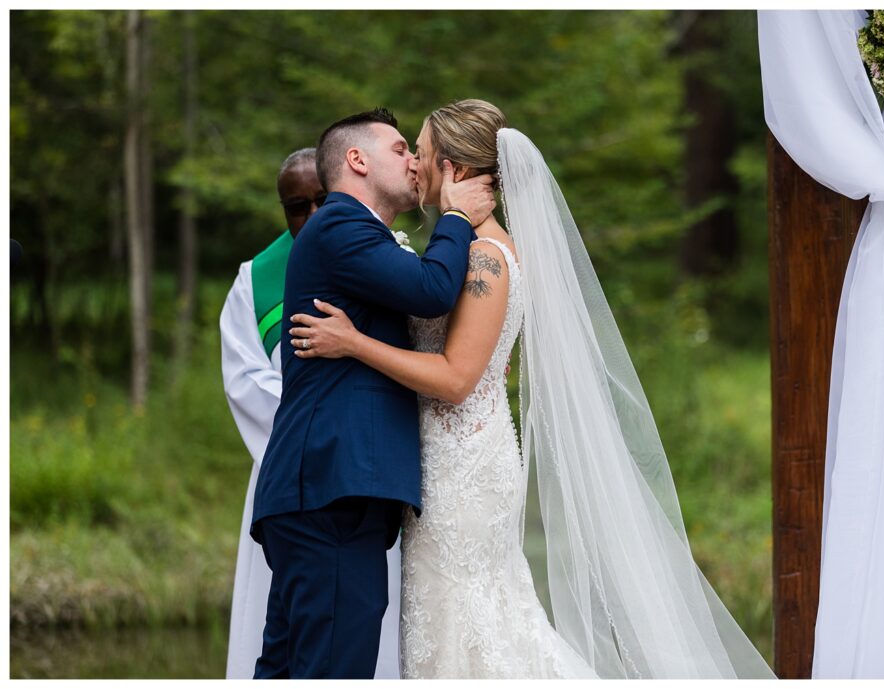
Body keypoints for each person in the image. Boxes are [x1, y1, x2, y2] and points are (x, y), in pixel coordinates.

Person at [288, 99, 777, 678]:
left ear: (457, 172)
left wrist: (355, 343)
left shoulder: (484, 260)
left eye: (420, 153)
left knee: (474, 631)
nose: (415, 166)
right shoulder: (458, 254)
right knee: (459, 629)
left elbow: (455, 379)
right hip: (442, 467)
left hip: (462, 473)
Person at [248, 109, 496, 679]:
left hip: (322, 491)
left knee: (292, 669)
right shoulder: (338, 224)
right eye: (401, 148)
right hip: (331, 487)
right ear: (357, 161)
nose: (415, 160)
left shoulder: (361, 236)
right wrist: (457, 218)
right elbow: (433, 291)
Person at [220, 148, 403, 678]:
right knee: (288, 638)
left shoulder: (377, 251)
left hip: (363, 473)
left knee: (360, 628)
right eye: (296, 207)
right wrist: (325, 412)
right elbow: (246, 384)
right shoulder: (255, 278)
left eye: (323, 200)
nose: (313, 216)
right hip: (297, 476)